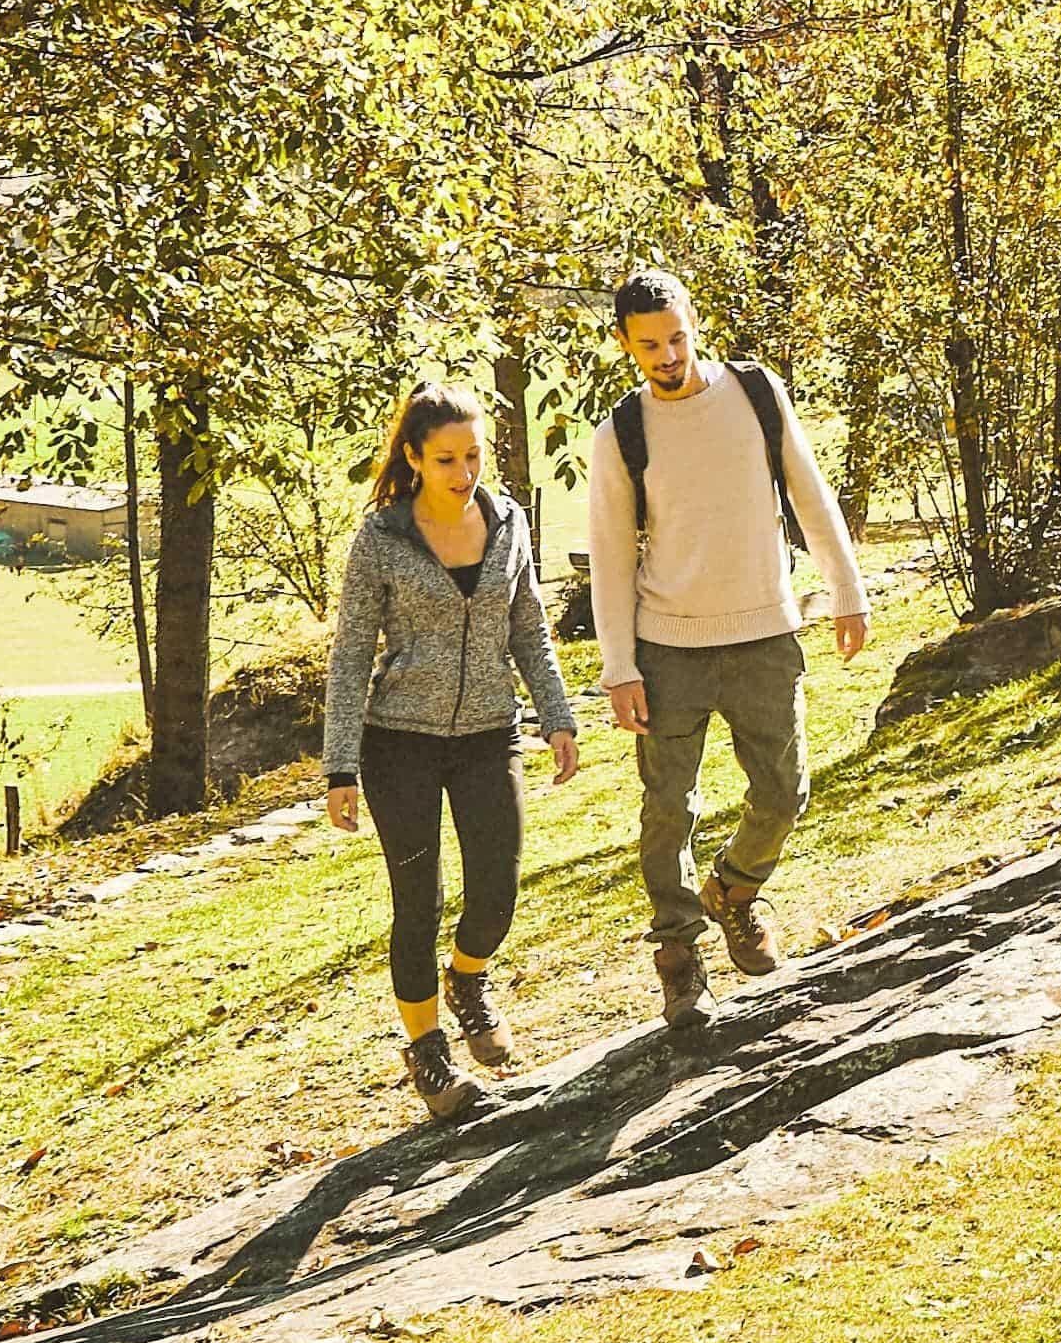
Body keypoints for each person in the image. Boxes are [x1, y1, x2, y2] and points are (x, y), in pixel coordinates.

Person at [581, 263, 873, 1048]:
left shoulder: (754, 393)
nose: (667, 356)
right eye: (649, 346)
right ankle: (679, 956)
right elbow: (609, 559)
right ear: (626, 346)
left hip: (764, 633)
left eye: (677, 338)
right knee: (667, 810)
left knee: (783, 793)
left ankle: (735, 892)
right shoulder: (622, 434)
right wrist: (619, 667)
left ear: (693, 323)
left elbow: (810, 497)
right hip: (666, 647)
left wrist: (846, 589)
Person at [318, 381, 582, 1122]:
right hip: (398, 742)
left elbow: (527, 628)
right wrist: (339, 766)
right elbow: (349, 657)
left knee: (496, 890)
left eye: (473, 455)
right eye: (446, 459)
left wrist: (556, 718)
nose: (464, 472)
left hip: (488, 733)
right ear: (414, 458)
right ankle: (428, 1051)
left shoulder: (509, 524)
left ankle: (469, 977)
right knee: (418, 901)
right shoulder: (381, 540)